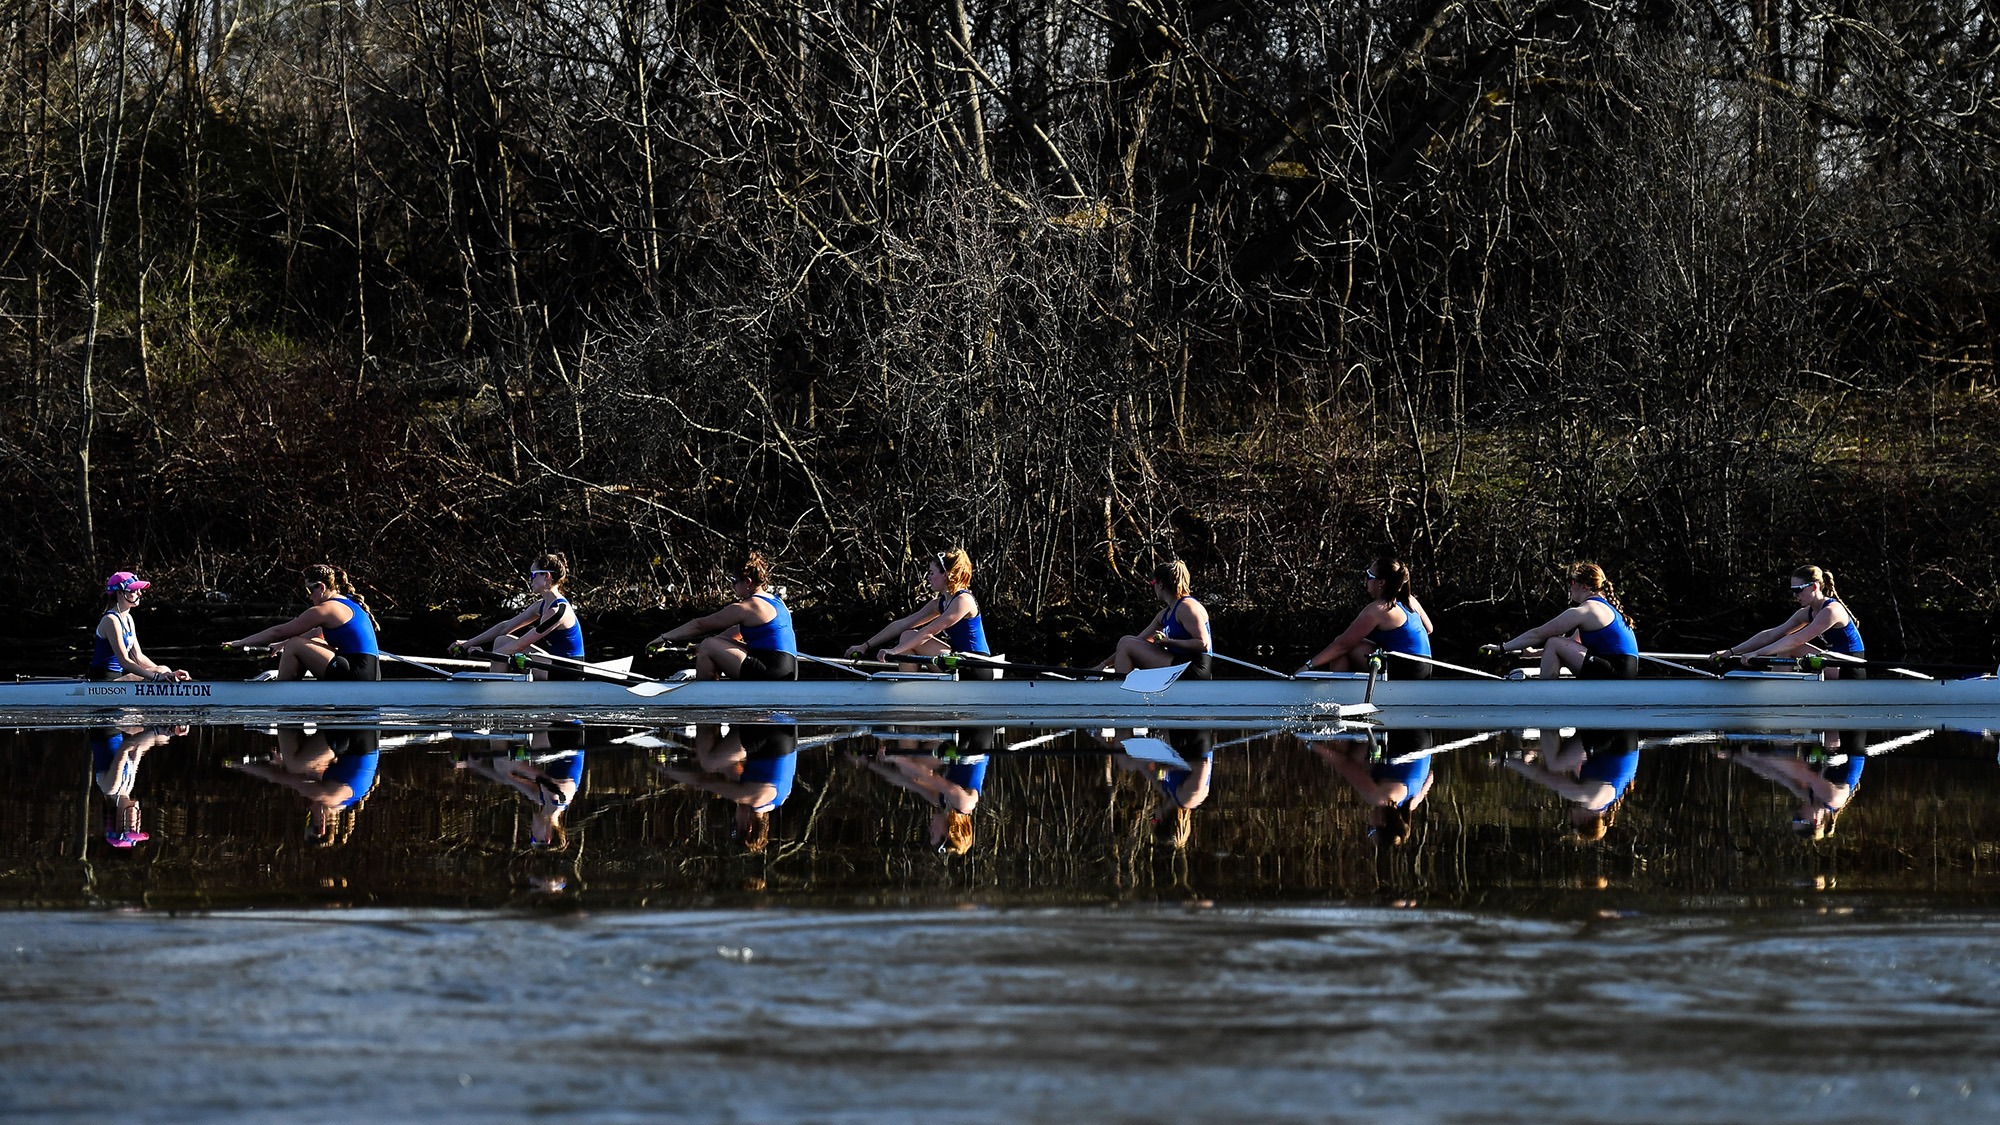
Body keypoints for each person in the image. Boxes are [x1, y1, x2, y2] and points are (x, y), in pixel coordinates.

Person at [648, 551, 797, 681]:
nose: (732, 586)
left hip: (772, 672)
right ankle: (711, 689)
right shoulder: (776, 601)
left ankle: (704, 696)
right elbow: (736, 631)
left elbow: (699, 625)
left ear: (748, 582)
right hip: (787, 669)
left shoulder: (749, 607)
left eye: (734, 581)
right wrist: (704, 646)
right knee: (711, 643)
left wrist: (663, 638)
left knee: (708, 644)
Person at [845, 548, 993, 676]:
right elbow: (902, 625)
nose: (928, 577)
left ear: (946, 574)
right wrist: (865, 645)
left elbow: (930, 631)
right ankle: (908, 692)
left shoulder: (963, 600)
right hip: (955, 661)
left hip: (977, 665)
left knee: (909, 637)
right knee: (907, 634)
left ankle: (907, 693)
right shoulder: (938, 603)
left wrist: (895, 651)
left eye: (931, 572)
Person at [221, 565, 382, 681]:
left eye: (308, 591)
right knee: (312, 640)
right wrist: (281, 645)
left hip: (355, 673)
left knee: (294, 644)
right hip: (369, 673)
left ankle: (281, 695)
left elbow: (278, 632)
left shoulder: (326, 609)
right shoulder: (348, 602)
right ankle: (295, 690)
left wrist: (240, 642)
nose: (308, 597)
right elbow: (316, 633)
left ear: (321, 587)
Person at [1482, 561, 1639, 679]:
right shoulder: (1603, 608)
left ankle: (1547, 697)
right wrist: (1533, 654)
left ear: (1585, 587)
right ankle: (1551, 691)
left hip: (1617, 673)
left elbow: (1537, 634)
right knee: (1557, 643)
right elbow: (1571, 645)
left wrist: (1502, 648)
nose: (1570, 587)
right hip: (1624, 672)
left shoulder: (1587, 610)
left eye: (1572, 581)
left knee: (1553, 641)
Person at [657, 723, 799, 853]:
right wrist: (664, 771)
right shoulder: (754, 798)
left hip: (786, 729)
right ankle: (706, 715)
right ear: (748, 827)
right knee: (709, 762)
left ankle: (723, 720)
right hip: (769, 730)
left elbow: (731, 769)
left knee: (723, 763)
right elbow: (702, 781)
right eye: (735, 822)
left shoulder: (779, 800)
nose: (734, 816)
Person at [1713, 565, 1866, 680]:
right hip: (1833, 663)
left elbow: (1797, 640)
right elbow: (1771, 635)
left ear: (1814, 587)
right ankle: (1779, 692)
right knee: (1785, 646)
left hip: (1850, 667)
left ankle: (1776, 694)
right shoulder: (1806, 613)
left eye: (1798, 590)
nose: (1794, 595)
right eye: (1792, 590)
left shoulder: (1831, 611)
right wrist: (1731, 652)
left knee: (1789, 649)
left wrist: (1758, 653)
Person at [453, 553, 586, 680]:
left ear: (547, 575)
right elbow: (504, 627)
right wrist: (468, 643)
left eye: (533, 575)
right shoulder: (541, 605)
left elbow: (521, 644)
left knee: (506, 651)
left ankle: (494, 695)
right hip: (554, 662)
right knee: (501, 640)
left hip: (569, 669)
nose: (530, 580)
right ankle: (499, 688)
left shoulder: (558, 611)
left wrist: (485, 656)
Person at [1300, 555, 1435, 679]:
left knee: (1344, 648)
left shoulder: (1379, 609)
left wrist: (1307, 667)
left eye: (1369, 575)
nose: (1365, 580)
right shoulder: (1410, 600)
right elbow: (1429, 629)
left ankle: (1336, 695)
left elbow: (1342, 645)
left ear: (1381, 583)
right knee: (1360, 643)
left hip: (1406, 670)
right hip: (1425, 669)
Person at [1503, 728, 1640, 841]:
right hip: (1616, 734)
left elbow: (1572, 759)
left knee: (1559, 762)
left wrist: (1535, 752)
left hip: (1623, 737)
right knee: (1554, 764)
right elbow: (1541, 776)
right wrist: (1506, 761)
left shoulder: (1606, 800)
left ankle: (1549, 724)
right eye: (1572, 823)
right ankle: (1546, 719)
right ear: (1584, 821)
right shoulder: (1590, 799)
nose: (1569, 817)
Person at [1308, 729, 1437, 845]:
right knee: (1348, 756)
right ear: (1382, 823)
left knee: (1366, 767)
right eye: (1370, 829)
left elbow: (1430, 777)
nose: (1368, 824)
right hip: (1405, 735)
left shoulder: (1411, 805)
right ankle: (1334, 723)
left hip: (1424, 739)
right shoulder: (1376, 798)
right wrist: (1311, 744)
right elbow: (1343, 763)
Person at [1101, 559, 1213, 678]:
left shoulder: (1187, 607)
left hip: (1194, 668)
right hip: (1179, 663)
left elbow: (1203, 644)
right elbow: (1137, 641)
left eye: (1152, 583)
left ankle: (1124, 692)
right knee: (1127, 640)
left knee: (1127, 642)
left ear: (1160, 585)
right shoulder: (1164, 614)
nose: (1152, 588)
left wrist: (1169, 642)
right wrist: (1103, 665)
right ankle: (1127, 688)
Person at [88, 571, 189, 682]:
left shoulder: (128, 618)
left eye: (139, 590)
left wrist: (167, 674)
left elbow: (138, 657)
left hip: (119, 677)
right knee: (160, 671)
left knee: (163, 669)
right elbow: (125, 661)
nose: (140, 594)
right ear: (120, 593)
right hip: (103, 681)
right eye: (134, 590)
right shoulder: (110, 620)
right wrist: (156, 676)